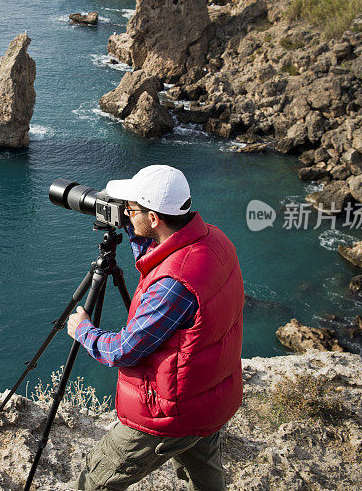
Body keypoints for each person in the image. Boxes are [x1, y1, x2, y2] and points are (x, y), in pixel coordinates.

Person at [66, 165, 244, 491]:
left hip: (168, 412)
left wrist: (83, 330)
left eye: (131, 209)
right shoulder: (215, 240)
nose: (124, 212)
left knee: (95, 482)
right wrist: (136, 232)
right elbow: (163, 257)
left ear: (153, 219)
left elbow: (123, 350)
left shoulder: (174, 285)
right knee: (205, 479)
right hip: (209, 396)